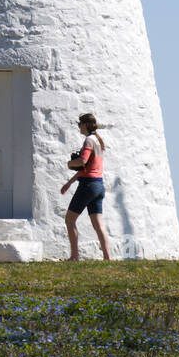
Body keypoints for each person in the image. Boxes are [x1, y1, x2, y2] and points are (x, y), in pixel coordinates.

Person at [61, 112, 111, 261]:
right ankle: (107, 258)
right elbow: (88, 167)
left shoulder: (88, 141)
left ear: (85, 125)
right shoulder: (97, 141)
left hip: (88, 186)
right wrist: (69, 183)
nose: (78, 126)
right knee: (98, 225)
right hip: (98, 186)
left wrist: (70, 163)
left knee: (69, 220)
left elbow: (82, 161)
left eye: (79, 124)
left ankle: (74, 256)